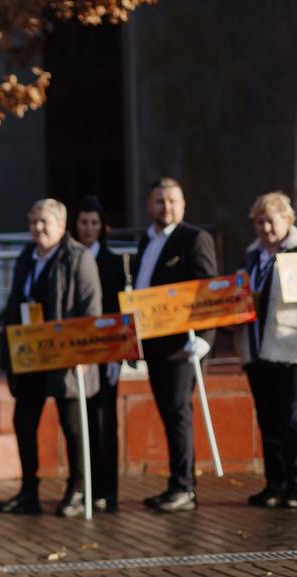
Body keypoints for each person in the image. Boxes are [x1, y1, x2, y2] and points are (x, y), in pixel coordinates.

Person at [0, 199, 102, 517]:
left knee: (72, 425)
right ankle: (29, 490)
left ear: (62, 225)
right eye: (33, 222)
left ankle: (78, 490)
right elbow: (16, 302)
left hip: (66, 357)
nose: (37, 228)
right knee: (24, 422)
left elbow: (90, 308)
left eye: (44, 222)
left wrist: (84, 354)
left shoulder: (78, 257)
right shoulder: (27, 256)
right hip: (29, 355)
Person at [134, 178, 218, 513]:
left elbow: (208, 291)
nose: (165, 207)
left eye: (172, 201)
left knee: (180, 414)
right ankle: (175, 484)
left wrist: (205, 339)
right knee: (169, 416)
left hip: (184, 347)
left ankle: (185, 487)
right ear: (148, 205)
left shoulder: (194, 238)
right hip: (154, 345)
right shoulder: (146, 240)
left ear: (182, 204)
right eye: (159, 201)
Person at [238, 192, 297, 508]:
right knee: (269, 420)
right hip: (257, 350)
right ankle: (274, 482)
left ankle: (295, 483)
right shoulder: (252, 256)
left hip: (290, 351)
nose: (264, 227)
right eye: (258, 221)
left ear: (287, 220)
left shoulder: (296, 252)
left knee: (293, 421)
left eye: (270, 220)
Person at [74, 195, 130, 512]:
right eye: (83, 222)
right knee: (82, 424)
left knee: (105, 423)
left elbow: (119, 311)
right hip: (78, 354)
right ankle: (87, 486)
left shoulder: (111, 262)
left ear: (102, 227)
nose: (89, 228)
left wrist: (116, 356)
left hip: (106, 355)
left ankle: (108, 490)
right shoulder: (70, 258)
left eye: (94, 223)